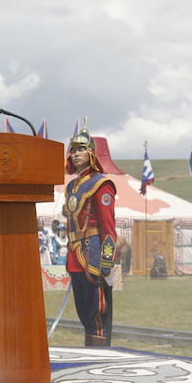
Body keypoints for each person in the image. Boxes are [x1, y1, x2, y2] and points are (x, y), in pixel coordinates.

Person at [63, 120, 117, 347]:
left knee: (97, 312)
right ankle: (90, 352)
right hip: (76, 255)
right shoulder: (71, 186)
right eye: (73, 150)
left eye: (81, 149)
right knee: (84, 311)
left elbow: (108, 226)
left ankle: (101, 354)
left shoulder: (101, 183)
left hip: (94, 253)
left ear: (91, 153)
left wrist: (107, 259)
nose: (76, 154)